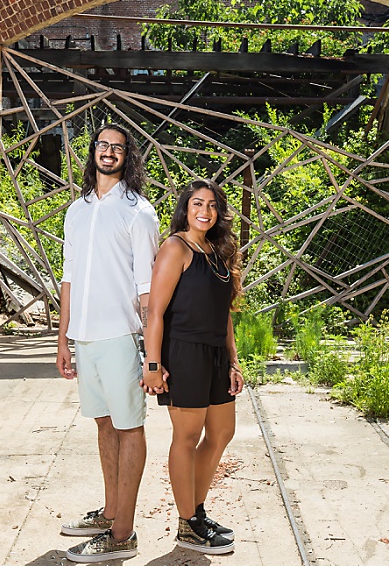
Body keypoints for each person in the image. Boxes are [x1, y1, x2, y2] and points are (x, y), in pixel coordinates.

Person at [57, 123, 160, 563]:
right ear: (93, 152)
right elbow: (68, 279)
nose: (109, 152)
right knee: (103, 423)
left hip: (121, 336)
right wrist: (62, 339)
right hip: (83, 338)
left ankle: (123, 533)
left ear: (128, 157)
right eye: (103, 145)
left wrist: (152, 355)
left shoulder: (140, 212)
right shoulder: (76, 210)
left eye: (118, 148)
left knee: (128, 426)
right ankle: (110, 512)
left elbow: (147, 290)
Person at [142, 178, 244, 554]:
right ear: (185, 208)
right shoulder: (176, 247)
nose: (205, 211)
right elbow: (155, 311)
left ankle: (196, 513)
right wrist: (152, 363)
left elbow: (226, 314)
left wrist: (233, 361)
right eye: (198, 203)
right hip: (184, 353)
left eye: (213, 205)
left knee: (221, 434)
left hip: (216, 354)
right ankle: (187, 524)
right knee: (186, 438)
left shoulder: (216, 252)